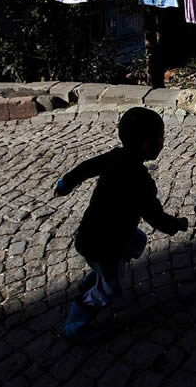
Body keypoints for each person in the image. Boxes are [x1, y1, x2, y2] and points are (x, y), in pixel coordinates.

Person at [54, 107, 188, 341]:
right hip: (107, 245)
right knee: (110, 289)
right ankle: (76, 322)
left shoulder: (114, 157)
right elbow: (155, 217)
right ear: (148, 145)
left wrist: (66, 183)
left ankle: (97, 275)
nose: (163, 142)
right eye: (162, 138)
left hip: (89, 233)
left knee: (139, 239)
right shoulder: (142, 183)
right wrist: (176, 224)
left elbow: (86, 167)